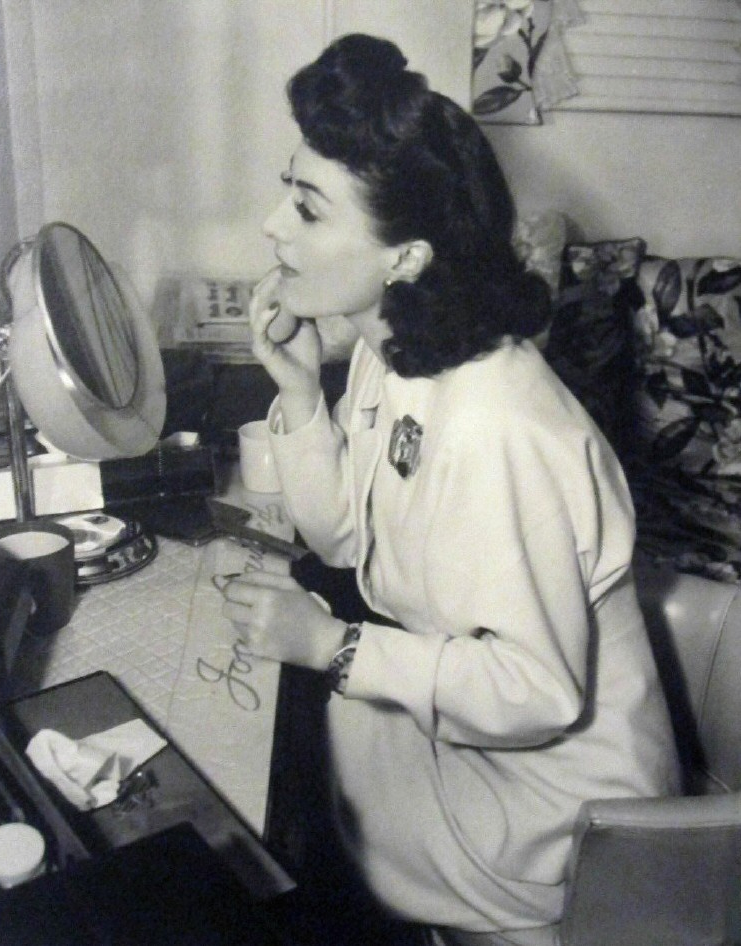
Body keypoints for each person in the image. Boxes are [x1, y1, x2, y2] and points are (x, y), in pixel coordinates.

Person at [219, 33, 680, 945]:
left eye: (307, 209)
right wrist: (302, 395)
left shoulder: (499, 427)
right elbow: (346, 539)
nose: (274, 226)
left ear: (406, 257)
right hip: (481, 744)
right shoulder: (394, 348)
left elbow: (538, 693)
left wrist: (336, 647)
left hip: (563, 816)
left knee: (284, 834)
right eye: (287, 192)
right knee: (295, 760)